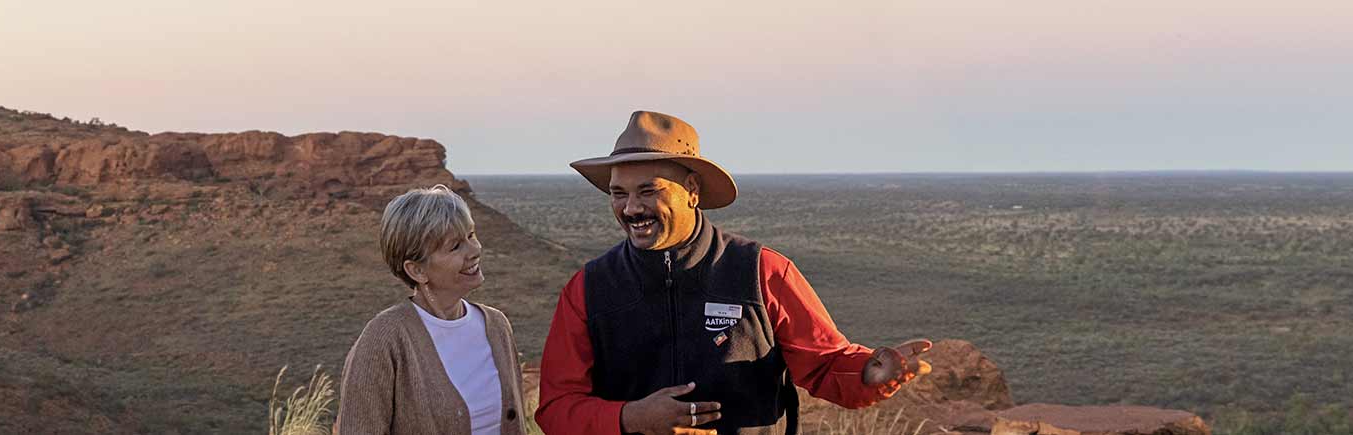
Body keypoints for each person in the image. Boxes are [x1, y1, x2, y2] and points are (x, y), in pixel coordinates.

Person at [536, 111, 932, 435]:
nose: (631, 209)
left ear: (691, 190)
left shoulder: (762, 272)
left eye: (648, 191)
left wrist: (869, 373)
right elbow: (556, 409)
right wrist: (631, 418)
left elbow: (825, 364)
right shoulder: (589, 288)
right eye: (618, 194)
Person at [335, 185, 527, 435]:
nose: (475, 250)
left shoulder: (496, 325)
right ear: (417, 270)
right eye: (455, 246)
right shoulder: (384, 339)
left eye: (471, 235)